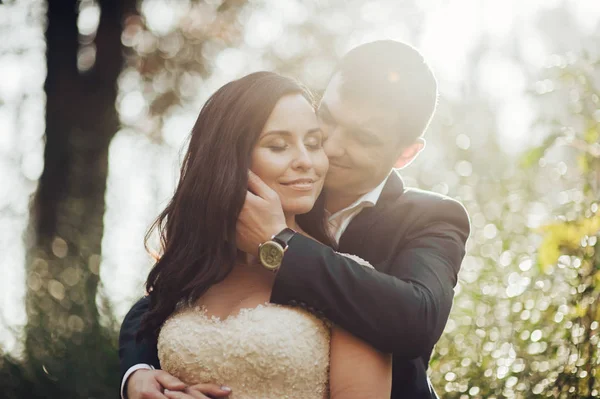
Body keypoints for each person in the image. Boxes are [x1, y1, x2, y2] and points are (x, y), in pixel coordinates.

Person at [120, 40, 470, 399]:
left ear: (406, 153)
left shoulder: (431, 218)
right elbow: (161, 299)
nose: (331, 147)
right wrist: (137, 373)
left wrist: (279, 239)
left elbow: (415, 320)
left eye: (362, 138)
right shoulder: (294, 187)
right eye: (328, 121)